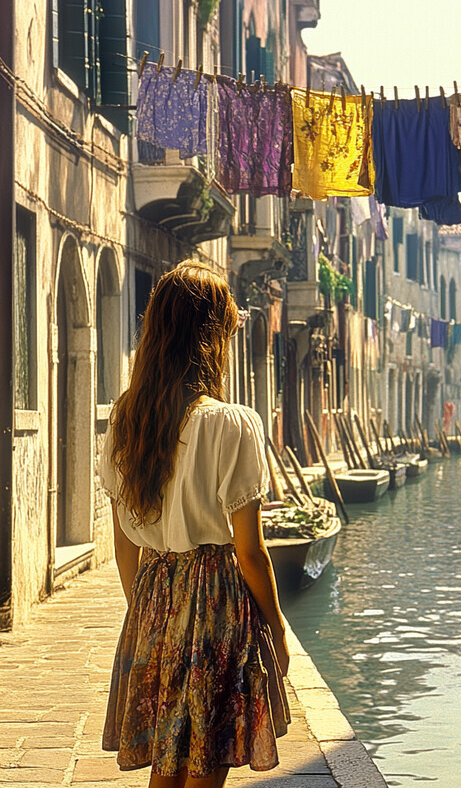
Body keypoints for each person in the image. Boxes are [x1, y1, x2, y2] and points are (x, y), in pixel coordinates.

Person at [98, 260, 290, 788]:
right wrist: (274, 624)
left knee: (168, 760)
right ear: (211, 338)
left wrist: (147, 615)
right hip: (217, 600)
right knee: (206, 757)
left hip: (155, 593)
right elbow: (250, 551)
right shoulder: (231, 425)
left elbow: (122, 548)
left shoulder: (125, 420)